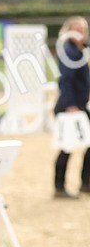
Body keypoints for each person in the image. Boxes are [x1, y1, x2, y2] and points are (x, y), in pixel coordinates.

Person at [53, 15, 90, 199]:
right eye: (77, 30)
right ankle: (60, 186)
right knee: (67, 146)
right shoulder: (69, 52)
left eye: (83, 30)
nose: (80, 34)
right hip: (70, 106)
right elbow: (65, 81)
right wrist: (70, 105)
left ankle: (85, 182)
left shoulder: (78, 50)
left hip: (80, 104)